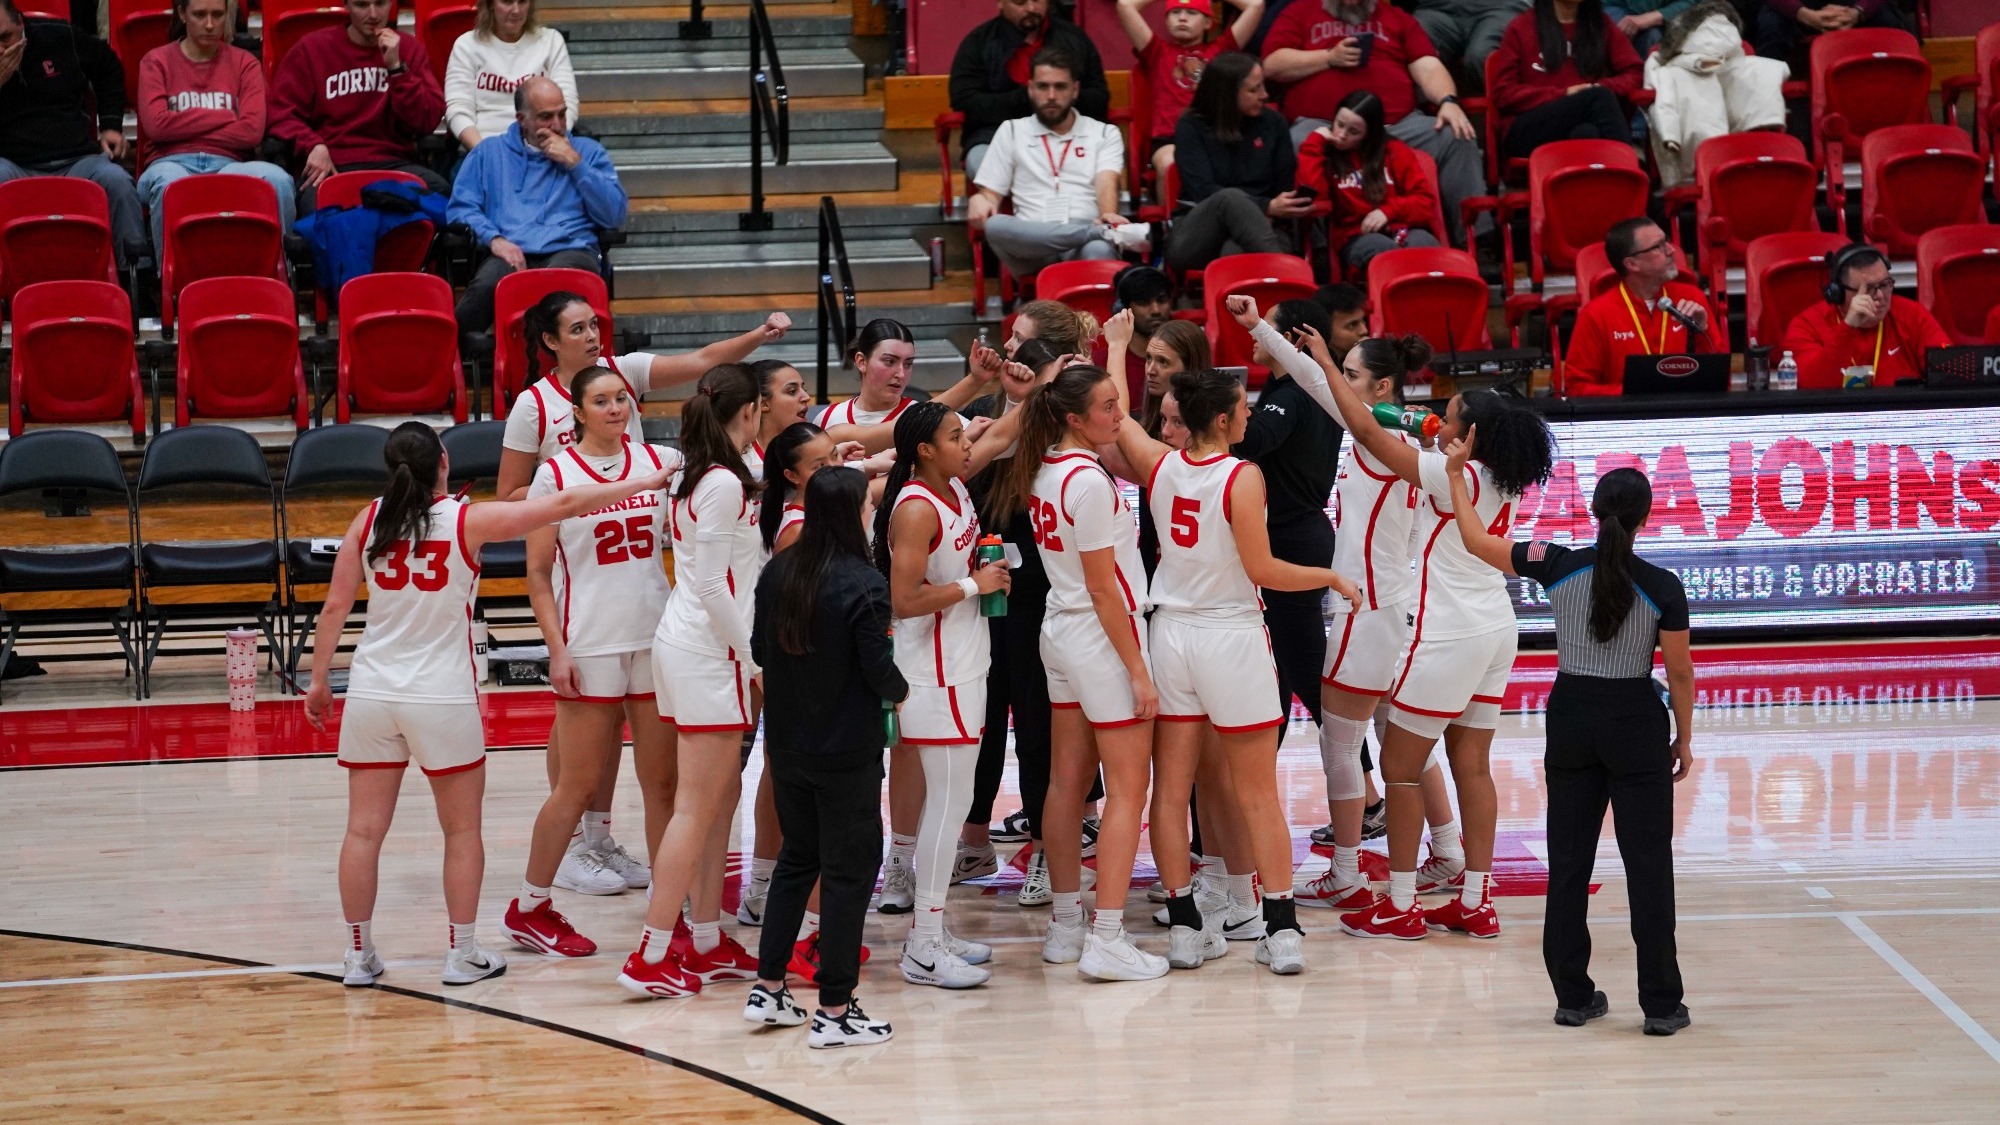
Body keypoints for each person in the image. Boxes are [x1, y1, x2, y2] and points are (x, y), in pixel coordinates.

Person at [304, 421, 673, 988]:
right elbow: (568, 503)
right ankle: (463, 953)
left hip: (372, 692)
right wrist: (647, 480)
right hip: (441, 696)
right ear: (443, 463)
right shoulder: (466, 520)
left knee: (362, 832)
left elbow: (333, 609)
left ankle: (357, 956)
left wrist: (319, 681)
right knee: (460, 832)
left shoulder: (368, 519)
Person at [1107, 359, 1361, 975]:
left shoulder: (1160, 464)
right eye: (1243, 407)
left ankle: (1186, 928)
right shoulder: (1243, 476)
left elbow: (1117, 418)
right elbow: (1265, 571)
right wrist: (1329, 575)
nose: (1251, 413)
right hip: (1230, 636)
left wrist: (1115, 349)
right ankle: (1280, 928)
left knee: (1170, 794)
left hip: (1170, 635)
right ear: (1221, 419)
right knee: (1257, 793)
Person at [1443, 453, 1695, 1037]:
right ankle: (1660, 1004)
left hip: (1573, 718)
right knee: (1649, 867)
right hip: (1635, 723)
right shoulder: (1663, 585)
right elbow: (1678, 673)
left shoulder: (1555, 564)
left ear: (1593, 510)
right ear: (1645, 518)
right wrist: (1685, 736)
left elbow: (1478, 542)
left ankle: (1573, 998)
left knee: (1570, 863)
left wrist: (1455, 476)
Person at [1230, 301, 1465, 904]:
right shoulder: (1402, 430)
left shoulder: (1377, 435)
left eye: (1353, 374)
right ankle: (1450, 853)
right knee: (1398, 735)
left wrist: (1290, 346)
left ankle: (1345, 871)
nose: (1340, 381)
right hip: (1397, 603)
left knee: (1338, 740)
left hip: (1371, 608)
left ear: (1380, 386)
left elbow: (1316, 382)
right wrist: (1262, 330)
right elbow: (1313, 380)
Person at [1316, 371, 1556, 942]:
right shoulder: (1507, 475)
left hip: (1446, 634)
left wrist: (1325, 365)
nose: (1438, 424)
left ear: (1471, 435)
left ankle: (1400, 904)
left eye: (1448, 417)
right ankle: (1475, 900)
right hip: (1497, 629)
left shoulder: (1459, 476)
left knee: (1399, 768)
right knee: (1472, 764)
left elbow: (1369, 436)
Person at [988, 363, 1166, 981]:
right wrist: (1139, 670)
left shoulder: (1042, 467)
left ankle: (1067, 926)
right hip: (1098, 636)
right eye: (1108, 406)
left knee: (1065, 783)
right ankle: (1108, 937)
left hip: (1058, 634)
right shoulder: (1089, 482)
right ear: (1072, 416)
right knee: (1125, 790)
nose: (1119, 415)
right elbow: (1103, 589)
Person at [502, 367, 684, 958]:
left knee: (663, 784)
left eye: (620, 399)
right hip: (590, 643)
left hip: (656, 637)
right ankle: (529, 906)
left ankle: (670, 909)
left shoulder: (661, 458)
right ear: (576, 413)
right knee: (577, 786)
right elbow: (535, 574)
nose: (614, 409)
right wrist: (556, 649)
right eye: (600, 402)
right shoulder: (552, 473)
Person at [618, 364, 772, 999]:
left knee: (716, 803)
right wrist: (756, 657)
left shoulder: (698, 474)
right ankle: (652, 952)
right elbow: (709, 583)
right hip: (708, 652)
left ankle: (706, 939)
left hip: (692, 647)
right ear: (749, 412)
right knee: (694, 807)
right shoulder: (721, 484)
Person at [744, 467, 905, 1049]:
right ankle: (835, 1010)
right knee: (847, 874)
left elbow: (761, 650)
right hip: (847, 752)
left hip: (786, 746)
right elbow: (877, 671)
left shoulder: (779, 571)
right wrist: (901, 690)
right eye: (867, 502)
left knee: (796, 861)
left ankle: (767, 988)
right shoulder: (864, 580)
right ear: (854, 512)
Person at [875, 402, 1013, 989]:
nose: (967, 443)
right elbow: (901, 599)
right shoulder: (914, 507)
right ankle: (924, 947)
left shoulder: (955, 486)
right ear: (925, 450)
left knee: (950, 805)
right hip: (931, 674)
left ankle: (932, 930)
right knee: (948, 807)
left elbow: (1001, 435)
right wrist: (970, 585)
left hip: (963, 661)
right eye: (956, 436)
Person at [496, 292, 790, 500]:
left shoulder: (625, 369)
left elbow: (702, 360)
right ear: (551, 340)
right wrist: (586, 489)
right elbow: (509, 494)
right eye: (578, 329)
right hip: (575, 528)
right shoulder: (533, 403)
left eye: (594, 324)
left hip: (639, 513)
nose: (591, 336)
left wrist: (761, 334)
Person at [1261, 0, 1485, 246]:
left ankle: (1475, 239)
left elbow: (1428, 66)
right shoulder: (1300, 12)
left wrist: (1448, 100)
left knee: (1456, 133)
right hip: (1326, 127)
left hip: (1396, 126)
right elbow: (1273, 64)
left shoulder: (1396, 18)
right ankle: (1316, 247)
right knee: (1296, 142)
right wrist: (1328, 58)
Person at [1232, 299, 1345, 783]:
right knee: (1284, 669)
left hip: (1291, 542)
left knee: (1302, 674)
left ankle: (1365, 798)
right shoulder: (1308, 391)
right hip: (1300, 535)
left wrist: (1220, 413)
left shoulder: (1293, 394)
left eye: (1265, 328)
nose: (1254, 338)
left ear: (1293, 340)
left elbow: (1252, 442)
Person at [448, 76, 627, 334]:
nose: (557, 125)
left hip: (571, 249)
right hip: (510, 251)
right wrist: (494, 239)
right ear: (522, 120)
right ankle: (443, 360)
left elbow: (614, 215)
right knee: (486, 287)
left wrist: (576, 164)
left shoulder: (588, 152)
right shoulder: (489, 153)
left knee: (555, 288)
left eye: (562, 115)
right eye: (546, 117)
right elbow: (460, 210)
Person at [968, 49, 1152, 280]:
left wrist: (1107, 214)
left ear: (1075, 90)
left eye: (1060, 87)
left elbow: (1107, 181)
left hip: (1082, 245)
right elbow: (990, 196)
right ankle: (1101, 233)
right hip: (1032, 243)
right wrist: (979, 199)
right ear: (1031, 89)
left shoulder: (1104, 133)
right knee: (994, 226)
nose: (1052, 95)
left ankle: (1098, 234)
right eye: (1043, 87)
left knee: (1099, 250)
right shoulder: (1012, 130)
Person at [135, 0, 297, 254]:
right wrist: (226, 117)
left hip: (231, 164)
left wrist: (182, 119)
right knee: (171, 184)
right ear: (182, 14)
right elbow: (157, 126)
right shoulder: (156, 62)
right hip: (169, 162)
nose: (210, 25)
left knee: (278, 180)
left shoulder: (245, 64)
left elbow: (251, 132)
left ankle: (277, 273)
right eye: (200, 15)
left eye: (217, 15)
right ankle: (169, 280)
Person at [0, 0, 146, 265]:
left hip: (77, 159)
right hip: (13, 165)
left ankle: (135, 278)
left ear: (21, 24)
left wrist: (111, 126)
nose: (1, 49)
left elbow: (108, 66)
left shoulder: (58, 36)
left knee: (117, 182)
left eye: (5, 38)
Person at [268, 0, 447, 213]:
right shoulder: (312, 48)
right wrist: (312, 144)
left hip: (394, 165)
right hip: (333, 167)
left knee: (440, 191)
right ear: (347, 6)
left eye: (380, 3)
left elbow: (426, 121)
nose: (373, 14)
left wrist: (397, 69)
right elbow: (279, 113)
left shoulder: (409, 49)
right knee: (318, 207)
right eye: (362, 5)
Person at [1168, 51, 1312, 273]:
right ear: (1227, 94)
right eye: (1254, 89)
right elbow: (1203, 191)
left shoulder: (1274, 124)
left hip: (1265, 229)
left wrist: (1272, 209)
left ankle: (1242, 303)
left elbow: (1283, 187)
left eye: (1263, 86)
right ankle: (1290, 277)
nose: (1264, 95)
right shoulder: (1191, 126)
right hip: (1199, 232)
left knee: (1234, 250)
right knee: (1229, 198)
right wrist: (1265, 207)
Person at [949, 0, 1110, 182]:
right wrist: (1027, 99)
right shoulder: (978, 42)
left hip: (1068, 134)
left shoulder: (1075, 38)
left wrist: (1060, 100)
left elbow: (1099, 97)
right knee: (986, 166)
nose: (1031, 8)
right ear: (1001, 3)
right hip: (995, 137)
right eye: (1020, 2)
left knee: (1104, 167)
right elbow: (964, 100)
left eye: (1037, 0)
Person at [1561, 216, 1721, 396]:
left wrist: (1702, 331)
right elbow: (1576, 388)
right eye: (1658, 246)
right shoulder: (1596, 314)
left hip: (1683, 414)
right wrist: (1635, 394)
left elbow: (1721, 378)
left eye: (1666, 241)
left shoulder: (1692, 298)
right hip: (1624, 418)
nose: (1671, 250)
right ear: (1632, 264)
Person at [1296, 89, 1445, 276]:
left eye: (1353, 132)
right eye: (1339, 124)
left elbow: (1424, 203)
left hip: (1405, 228)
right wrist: (1313, 144)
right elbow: (1315, 196)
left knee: (1424, 248)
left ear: (1369, 133)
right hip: (1357, 236)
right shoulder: (1326, 154)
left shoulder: (1394, 151)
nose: (1341, 135)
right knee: (1384, 252)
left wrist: (1388, 211)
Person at [1644, 3, 1789, 189]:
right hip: (1696, 171)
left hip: (1750, 163)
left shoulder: (1755, 69)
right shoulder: (1670, 72)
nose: (1716, 38)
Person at [1116, 0, 1265, 181]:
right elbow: (1125, 5)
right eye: (1175, 12)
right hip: (1170, 140)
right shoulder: (1157, 51)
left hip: (1216, 136)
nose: (1182, 18)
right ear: (1166, 19)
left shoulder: (1222, 50)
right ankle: (1173, 210)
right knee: (1170, 163)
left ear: (1208, 23)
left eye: (1192, 13)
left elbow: (1255, 5)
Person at [1783, 242, 1950, 390]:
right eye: (1869, 289)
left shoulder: (1912, 314)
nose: (1880, 296)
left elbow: (1951, 373)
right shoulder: (1806, 325)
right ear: (1838, 293)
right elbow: (1813, 387)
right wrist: (1848, 326)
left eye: (1885, 284)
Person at [1488, 0, 1643, 159]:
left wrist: (1598, 86)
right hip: (1527, 126)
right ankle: (1628, 169)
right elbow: (1503, 93)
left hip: (1582, 119)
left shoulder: (1599, 24)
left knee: (1586, 133)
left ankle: (1605, 181)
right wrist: (1563, 94)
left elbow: (1635, 72)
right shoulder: (1521, 26)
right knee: (1598, 97)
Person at [444, 0, 576, 151]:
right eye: (507, 2)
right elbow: (458, 110)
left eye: (522, 2)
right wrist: (484, 153)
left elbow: (568, 103)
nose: (516, 10)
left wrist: (550, 144)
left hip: (542, 149)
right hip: (483, 149)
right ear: (490, 4)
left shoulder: (551, 41)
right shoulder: (466, 45)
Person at [1411, 0, 1529, 93]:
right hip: (1436, 8)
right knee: (1408, 41)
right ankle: (1413, 117)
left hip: (1500, 7)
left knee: (1482, 56)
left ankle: (1514, 115)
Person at [1105, 265, 1177, 405]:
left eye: (1161, 300)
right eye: (1143, 303)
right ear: (1123, 309)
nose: (1155, 310)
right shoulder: (1104, 363)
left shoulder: (1186, 357)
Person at [1754, 0, 1910, 64]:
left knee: (1888, 22)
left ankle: (1895, 92)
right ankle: (1768, 105)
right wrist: (1805, 15)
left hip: (1853, 9)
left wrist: (1856, 13)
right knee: (1771, 24)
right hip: (1797, 10)